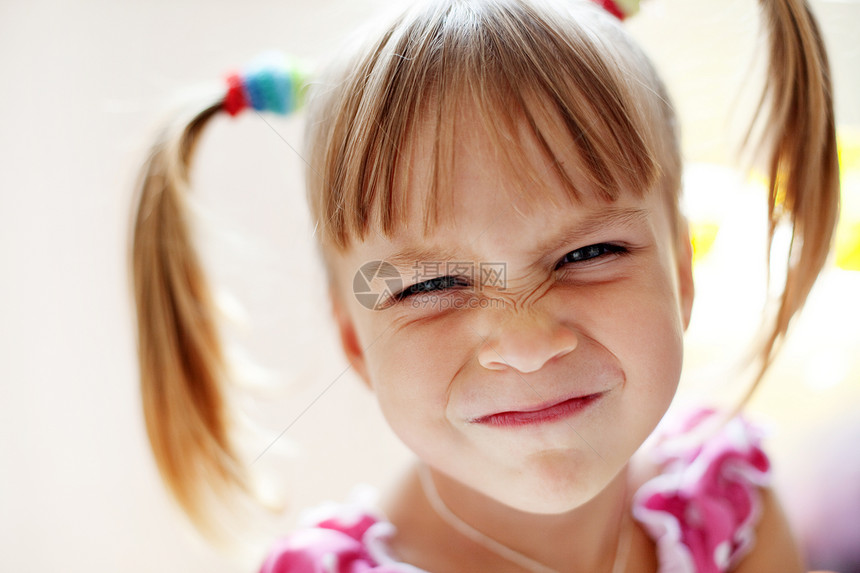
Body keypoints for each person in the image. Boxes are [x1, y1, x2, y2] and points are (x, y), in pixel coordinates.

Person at [129, 0, 840, 570]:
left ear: (681, 274)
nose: (527, 343)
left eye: (589, 250)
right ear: (354, 339)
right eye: (432, 282)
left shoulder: (729, 512)